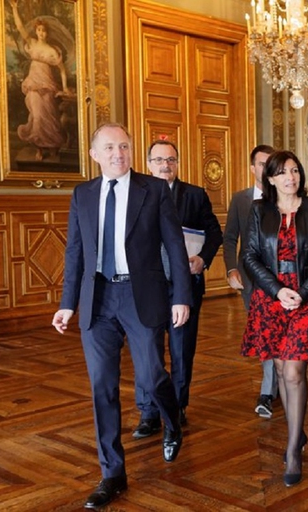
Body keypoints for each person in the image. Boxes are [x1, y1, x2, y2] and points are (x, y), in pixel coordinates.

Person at [52, 123, 191, 509]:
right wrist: (67, 303)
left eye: (125, 146)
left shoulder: (155, 190)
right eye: (110, 147)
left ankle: (171, 419)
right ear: (94, 154)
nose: (119, 153)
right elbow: (75, 254)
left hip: (140, 294)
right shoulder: (82, 195)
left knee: (151, 375)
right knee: (102, 387)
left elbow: (175, 247)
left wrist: (181, 295)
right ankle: (112, 473)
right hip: (97, 299)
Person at [241, 150, 308, 486]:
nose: (290, 178)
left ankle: (293, 448)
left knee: (294, 371)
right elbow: (250, 256)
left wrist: (303, 292)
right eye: (282, 172)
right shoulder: (258, 210)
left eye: (295, 171)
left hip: (307, 300)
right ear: (270, 178)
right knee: (280, 368)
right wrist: (278, 290)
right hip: (271, 299)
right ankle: (298, 430)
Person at [131, 139, 223, 438]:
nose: (164, 165)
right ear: (148, 164)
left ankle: (178, 407)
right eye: (158, 160)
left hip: (185, 286)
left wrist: (203, 259)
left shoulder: (194, 195)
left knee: (182, 351)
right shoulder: (136, 194)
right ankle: (148, 412)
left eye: (170, 160)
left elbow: (214, 232)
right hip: (147, 288)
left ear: (178, 163)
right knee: (148, 351)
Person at [223, 145, 279, 418]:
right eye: (261, 164)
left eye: (270, 164)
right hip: (251, 280)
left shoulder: (286, 197)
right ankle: (272, 385)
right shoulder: (240, 199)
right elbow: (230, 236)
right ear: (252, 168)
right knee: (264, 333)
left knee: (278, 333)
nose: (265, 168)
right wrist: (231, 269)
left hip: (283, 279)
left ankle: (269, 390)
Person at [10, 0, 71, 161]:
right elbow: (21, 28)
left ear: (47, 33)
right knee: (36, 116)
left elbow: (63, 70)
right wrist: (15, 9)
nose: (41, 33)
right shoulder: (32, 43)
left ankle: (52, 147)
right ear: (36, 31)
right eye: (39, 30)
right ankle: (39, 148)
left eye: (44, 31)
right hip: (33, 84)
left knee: (50, 117)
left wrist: (64, 88)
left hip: (47, 84)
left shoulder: (52, 51)